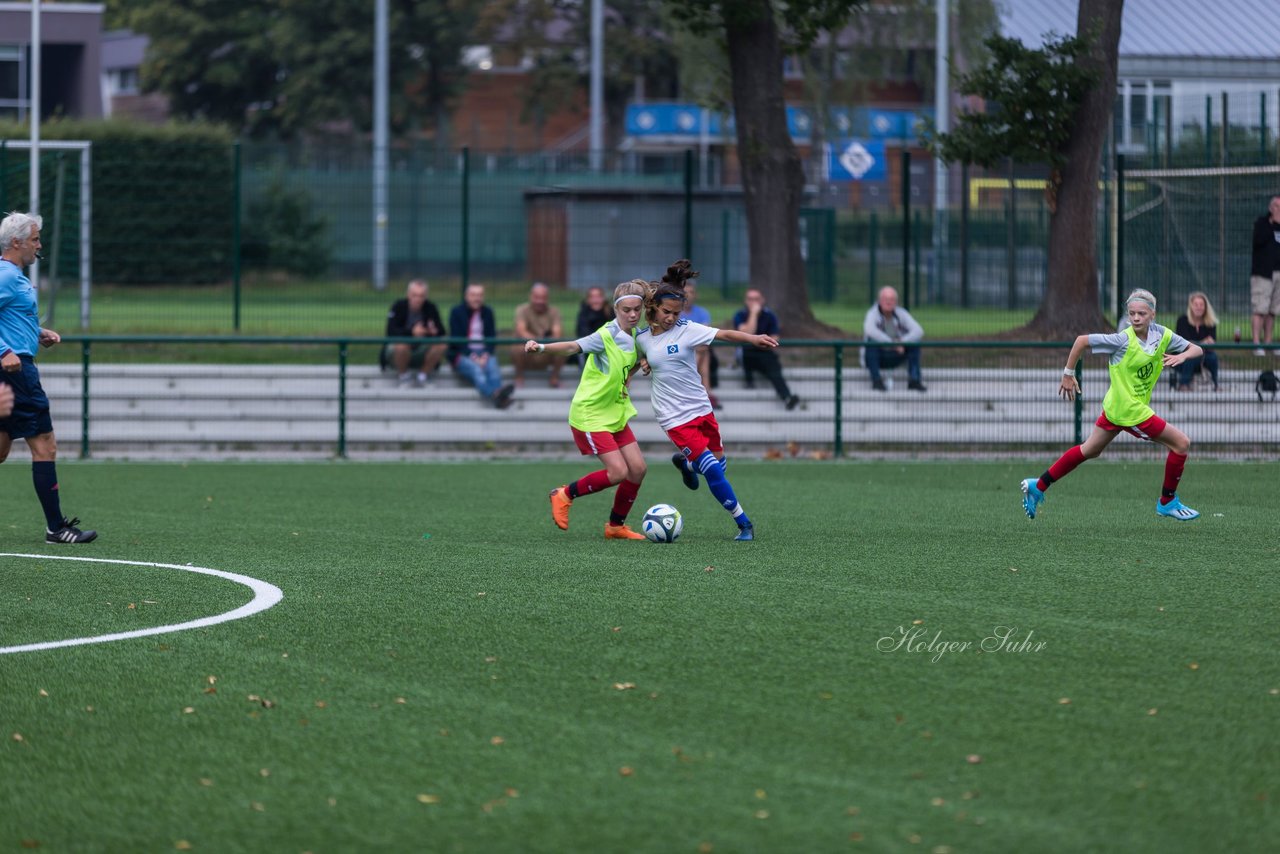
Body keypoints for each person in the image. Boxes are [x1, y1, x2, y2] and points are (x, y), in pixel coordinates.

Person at [1020, 288, 1202, 523]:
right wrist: (1068, 373)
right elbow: (1081, 341)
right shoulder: (1122, 340)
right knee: (1181, 443)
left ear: (1153, 315)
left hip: (1117, 408)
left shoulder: (1163, 336)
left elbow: (1197, 349)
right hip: (1130, 410)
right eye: (1132, 313)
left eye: (1141, 314)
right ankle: (1167, 501)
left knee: (1090, 450)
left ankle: (1039, 485)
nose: (1136, 318)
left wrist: (1183, 355)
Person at [638, 261, 780, 541]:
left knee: (718, 463)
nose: (671, 318)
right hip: (673, 417)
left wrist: (752, 339)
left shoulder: (687, 329)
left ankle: (686, 464)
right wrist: (641, 365)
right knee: (714, 470)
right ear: (653, 308)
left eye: (676, 313)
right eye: (666, 312)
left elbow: (723, 334)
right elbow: (632, 359)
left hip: (701, 408)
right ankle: (744, 523)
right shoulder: (641, 338)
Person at [0, 211, 97, 543]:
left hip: (15, 368)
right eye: (35, 239)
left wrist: (36, 332)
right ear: (17, 242)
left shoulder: (13, 276)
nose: (39, 246)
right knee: (45, 445)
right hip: (15, 372)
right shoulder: (7, 276)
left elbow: (9, 317)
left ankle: (56, 527)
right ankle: (56, 527)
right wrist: (4, 351)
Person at [528, 280, 650, 540]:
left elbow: (637, 360)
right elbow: (573, 346)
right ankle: (564, 494)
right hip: (591, 413)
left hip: (615, 412)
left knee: (638, 469)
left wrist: (638, 369)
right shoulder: (605, 336)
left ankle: (615, 526)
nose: (632, 314)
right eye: (626, 310)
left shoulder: (638, 335)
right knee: (618, 472)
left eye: (636, 309)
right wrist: (541, 347)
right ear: (615, 309)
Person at [447, 283, 515, 409]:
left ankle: (499, 396)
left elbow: (491, 337)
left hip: (483, 352)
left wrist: (485, 354)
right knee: (476, 370)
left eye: (479, 295)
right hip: (462, 354)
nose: (476, 298)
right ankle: (497, 394)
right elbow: (457, 340)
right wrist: (473, 356)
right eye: (473, 295)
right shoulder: (456, 312)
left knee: (493, 366)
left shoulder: (487, 312)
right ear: (466, 296)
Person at [732, 289, 800, 410]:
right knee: (747, 353)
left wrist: (763, 343)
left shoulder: (770, 315)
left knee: (774, 368)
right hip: (746, 353)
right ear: (745, 301)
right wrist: (753, 314)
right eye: (750, 299)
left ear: (762, 300)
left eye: (756, 299)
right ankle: (749, 380)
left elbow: (774, 338)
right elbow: (747, 333)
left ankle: (787, 397)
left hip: (764, 352)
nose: (753, 302)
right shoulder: (740, 315)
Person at [384, 278, 446, 387]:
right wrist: (411, 332)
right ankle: (404, 377)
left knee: (442, 344)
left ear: (425, 296)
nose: (417, 299)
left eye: (421, 296)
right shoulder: (398, 306)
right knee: (401, 346)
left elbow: (441, 331)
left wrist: (432, 331)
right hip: (400, 350)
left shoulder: (431, 307)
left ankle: (422, 376)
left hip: (422, 347)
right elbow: (390, 331)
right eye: (414, 295)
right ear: (408, 295)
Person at [863, 286, 926, 391]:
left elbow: (919, 330)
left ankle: (915, 380)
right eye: (885, 299)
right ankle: (877, 381)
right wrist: (893, 343)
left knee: (915, 343)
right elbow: (869, 330)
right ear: (880, 301)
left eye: (892, 299)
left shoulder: (901, 313)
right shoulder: (872, 314)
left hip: (897, 354)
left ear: (896, 302)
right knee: (871, 343)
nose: (889, 302)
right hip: (877, 356)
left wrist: (902, 341)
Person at [511, 282, 565, 388]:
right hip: (528, 349)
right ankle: (519, 376)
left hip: (547, 349)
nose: (540, 301)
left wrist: (541, 346)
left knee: (562, 349)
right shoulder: (522, 310)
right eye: (537, 297)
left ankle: (554, 378)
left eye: (543, 298)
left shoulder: (555, 311)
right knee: (515, 348)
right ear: (531, 296)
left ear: (547, 298)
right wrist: (536, 343)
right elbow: (521, 331)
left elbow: (557, 333)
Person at [681, 280, 721, 409]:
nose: (688, 295)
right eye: (685, 292)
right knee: (703, 351)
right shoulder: (674, 312)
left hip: (698, 348)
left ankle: (690, 389)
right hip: (680, 350)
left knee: (703, 349)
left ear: (695, 295)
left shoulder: (703, 312)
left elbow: (705, 333)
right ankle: (707, 392)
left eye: (691, 292)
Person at [1249, 196, 1280, 356]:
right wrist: (1273, 222)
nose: (1278, 209)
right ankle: (1256, 343)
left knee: (1272, 311)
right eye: (1276, 206)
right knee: (1260, 309)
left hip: (1278, 274)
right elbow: (1258, 241)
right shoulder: (1262, 223)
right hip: (1263, 274)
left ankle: (1268, 343)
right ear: (1270, 208)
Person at [1173, 291, 1219, 391]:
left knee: (1213, 357)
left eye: (1201, 305)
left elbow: (1211, 342)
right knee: (1190, 357)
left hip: (1204, 356)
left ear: (1205, 307)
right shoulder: (1182, 320)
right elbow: (1184, 343)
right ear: (1191, 306)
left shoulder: (1211, 322)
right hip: (1183, 359)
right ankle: (1183, 385)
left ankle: (1216, 384)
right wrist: (1203, 343)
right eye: (1196, 305)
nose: (1199, 307)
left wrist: (1195, 344)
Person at [571, 286, 613, 369]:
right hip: (589, 349)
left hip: (609, 348)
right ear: (588, 300)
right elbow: (582, 333)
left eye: (598, 297)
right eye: (592, 297)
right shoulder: (584, 313)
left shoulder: (610, 312)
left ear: (603, 298)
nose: (596, 300)